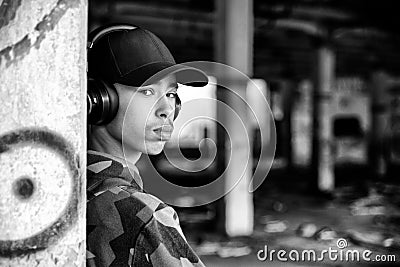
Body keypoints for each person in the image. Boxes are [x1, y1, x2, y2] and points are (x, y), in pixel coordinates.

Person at [86, 24, 208, 267]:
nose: (167, 110)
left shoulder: (64, 190)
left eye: (171, 94)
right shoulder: (147, 217)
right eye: (147, 91)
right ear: (99, 100)